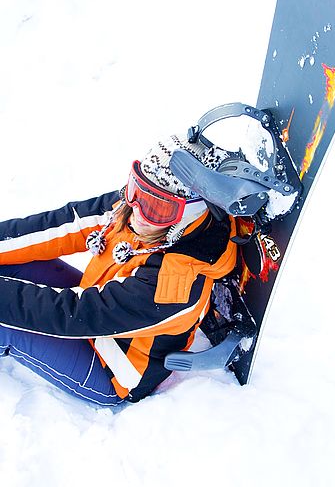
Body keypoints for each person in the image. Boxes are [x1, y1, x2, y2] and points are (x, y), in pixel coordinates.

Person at [0, 134, 238, 406]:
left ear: (188, 216)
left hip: (112, 368)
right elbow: (59, 225)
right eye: (136, 189)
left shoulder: (174, 285)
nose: (136, 210)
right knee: (16, 260)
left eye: (156, 207)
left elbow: (75, 313)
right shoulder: (140, 208)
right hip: (98, 315)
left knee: (5, 326)